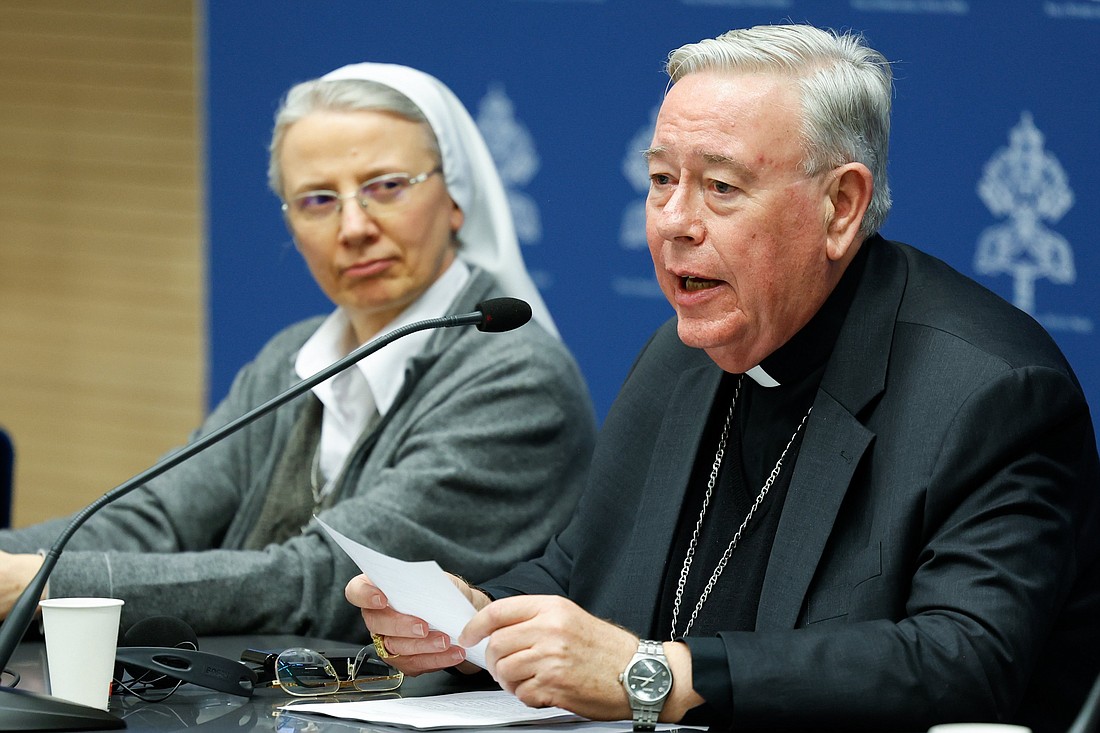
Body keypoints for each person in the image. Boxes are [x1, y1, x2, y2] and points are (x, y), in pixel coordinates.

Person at [346, 26, 1100, 733]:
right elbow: (582, 564)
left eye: (721, 188)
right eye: (661, 179)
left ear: (842, 206)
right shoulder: (681, 356)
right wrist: (472, 622)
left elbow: (964, 659)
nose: (674, 221)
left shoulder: (992, 393)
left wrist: (657, 673)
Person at [0, 63, 596, 641]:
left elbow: (324, 582)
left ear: (456, 198)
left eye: (386, 187)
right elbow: (156, 517)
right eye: (317, 200)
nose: (354, 226)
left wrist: (44, 584)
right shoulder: (294, 356)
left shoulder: (517, 377)